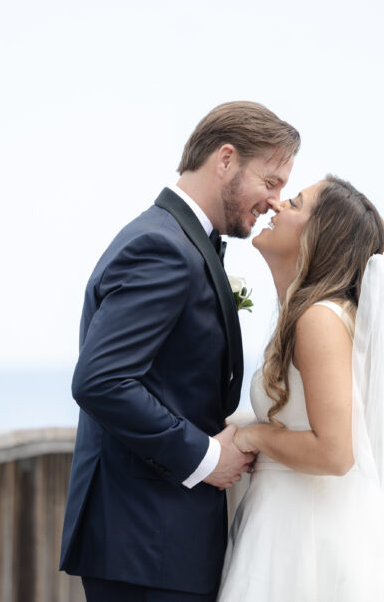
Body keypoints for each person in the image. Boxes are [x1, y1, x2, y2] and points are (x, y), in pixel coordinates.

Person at [60, 101, 301, 601]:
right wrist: (205, 456)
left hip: (159, 541)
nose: (277, 201)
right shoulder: (163, 247)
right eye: (272, 181)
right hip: (145, 543)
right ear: (227, 159)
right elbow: (101, 380)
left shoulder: (182, 241)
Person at [218, 175, 384, 601]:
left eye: (297, 203)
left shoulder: (318, 319)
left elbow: (335, 452)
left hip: (309, 536)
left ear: (319, 236)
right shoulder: (311, 316)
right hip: (293, 520)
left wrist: (254, 436)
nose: (279, 205)